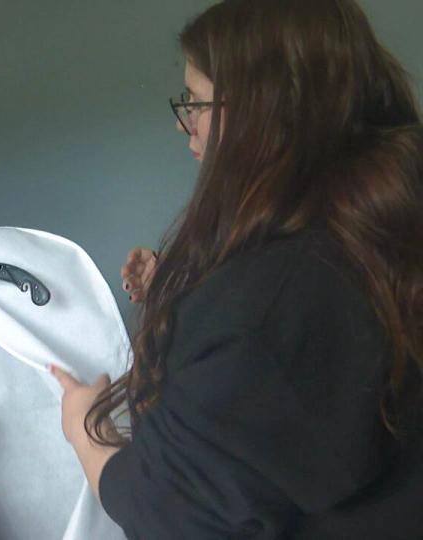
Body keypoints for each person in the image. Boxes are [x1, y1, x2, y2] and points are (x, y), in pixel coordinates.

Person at [53, 0, 423, 538]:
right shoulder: (379, 230)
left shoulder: (268, 302)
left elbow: (168, 514)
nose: (188, 130)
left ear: (264, 108)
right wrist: (183, 290)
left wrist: (86, 428)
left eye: (197, 103)